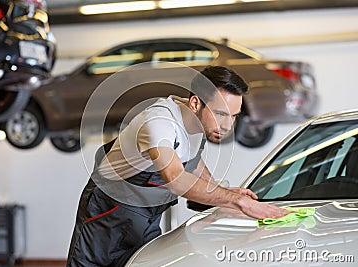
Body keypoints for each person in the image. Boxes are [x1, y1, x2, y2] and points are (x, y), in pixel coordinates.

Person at [66, 65, 289, 267]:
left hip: (146, 216)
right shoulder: (159, 123)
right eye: (220, 114)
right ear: (195, 103)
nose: (227, 125)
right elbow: (174, 177)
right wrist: (238, 201)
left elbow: (192, 161)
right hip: (108, 212)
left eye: (233, 116)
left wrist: (219, 191)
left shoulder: (199, 123)